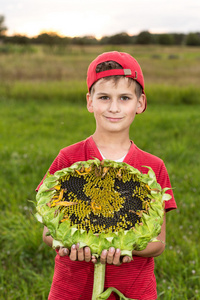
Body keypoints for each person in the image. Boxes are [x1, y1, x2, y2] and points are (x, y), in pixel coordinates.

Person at [36, 51, 177, 300]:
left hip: (133, 289)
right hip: (73, 288)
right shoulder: (69, 159)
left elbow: (158, 243)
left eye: (124, 98)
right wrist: (70, 244)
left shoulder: (151, 168)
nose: (113, 107)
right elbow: (48, 233)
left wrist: (127, 247)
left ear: (140, 103)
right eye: (104, 97)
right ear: (90, 101)